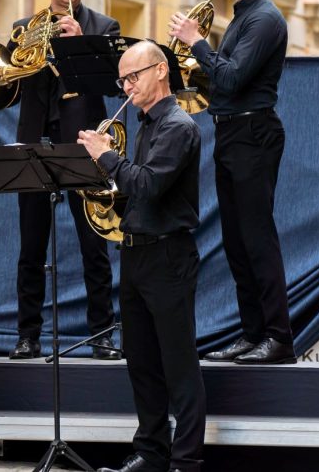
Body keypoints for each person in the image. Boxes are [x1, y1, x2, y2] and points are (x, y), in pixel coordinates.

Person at [78, 40, 206, 472]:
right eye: (123, 80)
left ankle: (185, 461)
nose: (127, 86)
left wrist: (105, 156)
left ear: (160, 71)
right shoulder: (147, 124)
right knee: (143, 364)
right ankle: (151, 453)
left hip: (167, 255)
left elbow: (149, 184)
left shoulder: (178, 126)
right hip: (135, 254)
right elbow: (136, 192)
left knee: (179, 366)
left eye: (133, 76)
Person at [168, 0, 294, 365]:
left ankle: (278, 338)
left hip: (253, 134)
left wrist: (196, 41)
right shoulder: (242, 17)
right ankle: (253, 333)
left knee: (257, 239)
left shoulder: (266, 19)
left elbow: (233, 78)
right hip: (231, 134)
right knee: (236, 242)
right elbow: (220, 81)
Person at [8, 0, 121, 360]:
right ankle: (28, 335)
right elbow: (7, 91)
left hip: (86, 143)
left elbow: (115, 85)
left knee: (94, 243)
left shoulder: (104, 27)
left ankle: (103, 334)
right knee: (31, 246)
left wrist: (80, 46)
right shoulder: (23, 30)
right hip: (35, 143)